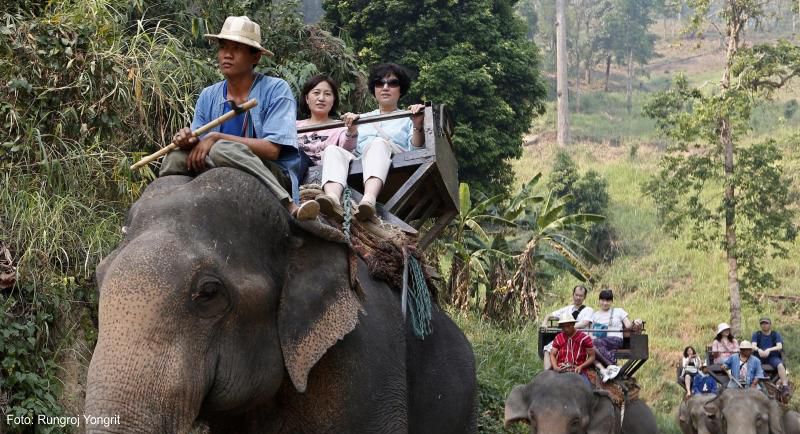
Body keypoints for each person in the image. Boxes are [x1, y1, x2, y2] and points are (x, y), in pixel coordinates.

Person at [161, 16, 318, 220]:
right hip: (217, 162)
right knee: (173, 157)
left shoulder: (276, 89)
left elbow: (272, 150)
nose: (227, 54)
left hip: (269, 171)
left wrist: (217, 138)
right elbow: (200, 142)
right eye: (223, 47)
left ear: (256, 57)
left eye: (237, 48)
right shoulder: (208, 95)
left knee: (222, 148)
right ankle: (161, 212)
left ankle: (287, 204)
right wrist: (188, 141)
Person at [315, 63, 425, 221]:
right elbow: (351, 152)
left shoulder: (408, 117)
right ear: (374, 88)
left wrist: (417, 124)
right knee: (332, 150)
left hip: (395, 167)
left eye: (392, 83)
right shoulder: (362, 118)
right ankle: (332, 198)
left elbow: (415, 152)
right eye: (380, 83)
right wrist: (351, 131)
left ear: (401, 89)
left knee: (378, 144)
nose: (385, 87)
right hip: (362, 164)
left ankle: (369, 200)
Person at [294, 75, 359, 221]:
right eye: (316, 93)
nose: (321, 98)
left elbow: (346, 148)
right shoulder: (294, 126)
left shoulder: (340, 127)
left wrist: (352, 130)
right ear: (306, 98)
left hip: (324, 174)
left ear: (334, 100)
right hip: (296, 168)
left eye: (327, 94)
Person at [590, 289, 643, 382]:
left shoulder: (618, 311)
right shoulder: (595, 315)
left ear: (611, 301)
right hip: (600, 342)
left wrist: (635, 321)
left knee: (595, 343)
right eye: (602, 300)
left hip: (615, 340)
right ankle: (604, 371)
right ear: (599, 301)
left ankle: (613, 365)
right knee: (590, 349)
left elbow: (628, 325)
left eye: (608, 301)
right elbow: (591, 331)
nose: (605, 303)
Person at [541, 285, 594, 370]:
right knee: (547, 349)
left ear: (584, 297)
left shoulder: (588, 310)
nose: (578, 298)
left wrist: (568, 327)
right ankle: (547, 372)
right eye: (576, 295)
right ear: (573, 295)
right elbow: (550, 315)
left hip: (580, 339)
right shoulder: (567, 309)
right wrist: (544, 322)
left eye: (581, 296)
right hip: (565, 337)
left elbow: (584, 323)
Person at [549, 313, 595, 384]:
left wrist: (581, 366)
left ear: (573, 324)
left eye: (568, 326)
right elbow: (552, 354)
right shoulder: (558, 338)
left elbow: (592, 356)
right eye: (563, 327)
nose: (566, 329)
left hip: (578, 369)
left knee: (586, 387)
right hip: (561, 368)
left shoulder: (584, 338)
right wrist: (555, 367)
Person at [751, 317, 789, 396]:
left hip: (772, 357)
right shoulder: (757, 334)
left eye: (766, 323)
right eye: (762, 323)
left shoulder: (775, 334)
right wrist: (759, 350)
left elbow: (779, 346)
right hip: (759, 357)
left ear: (770, 324)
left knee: (780, 365)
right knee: (754, 363)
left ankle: (785, 386)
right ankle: (764, 383)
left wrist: (769, 350)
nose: (764, 325)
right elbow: (753, 346)